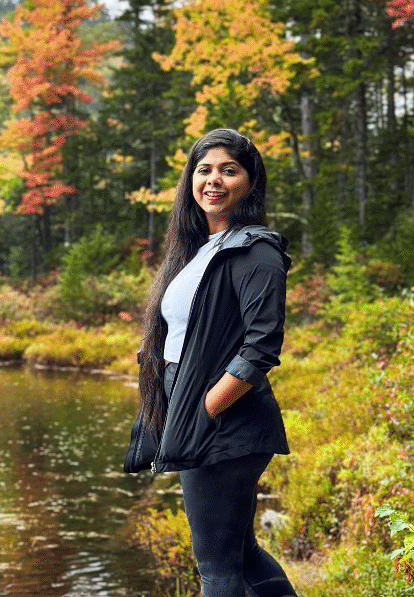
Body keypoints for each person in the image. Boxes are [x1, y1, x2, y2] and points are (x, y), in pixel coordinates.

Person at [122, 129, 295, 597]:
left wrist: (207, 409)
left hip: (226, 418)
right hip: (195, 406)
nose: (213, 180)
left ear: (249, 181)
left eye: (228, 169)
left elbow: (260, 348)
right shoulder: (200, 249)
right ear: (190, 181)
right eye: (204, 170)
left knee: (215, 567)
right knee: (239, 553)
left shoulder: (255, 250)